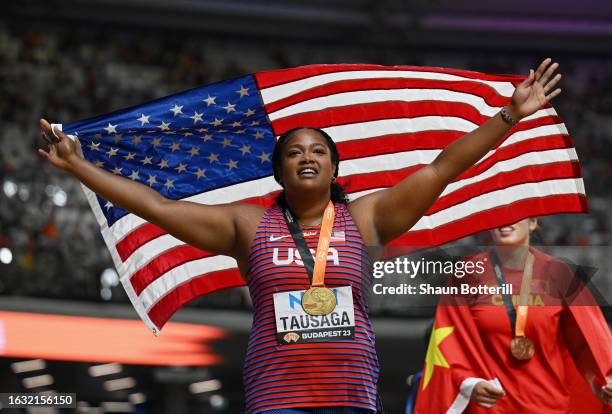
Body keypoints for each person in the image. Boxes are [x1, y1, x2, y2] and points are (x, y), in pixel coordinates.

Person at [39, 59, 563, 413]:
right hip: (275, 393)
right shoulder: (246, 225)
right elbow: (157, 205)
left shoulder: (366, 218)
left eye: (318, 151)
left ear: (335, 169)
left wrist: (509, 116)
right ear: (279, 172)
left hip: (351, 390)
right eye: (294, 152)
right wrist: (80, 169)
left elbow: (442, 168)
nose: (306, 156)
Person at [416, 217, 612, 413]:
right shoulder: (466, 275)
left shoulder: (560, 274)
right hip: (491, 409)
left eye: (516, 213)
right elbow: (449, 346)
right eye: (498, 212)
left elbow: (586, 343)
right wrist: (469, 384)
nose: (504, 221)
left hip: (549, 408)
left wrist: (603, 380)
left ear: (533, 222)